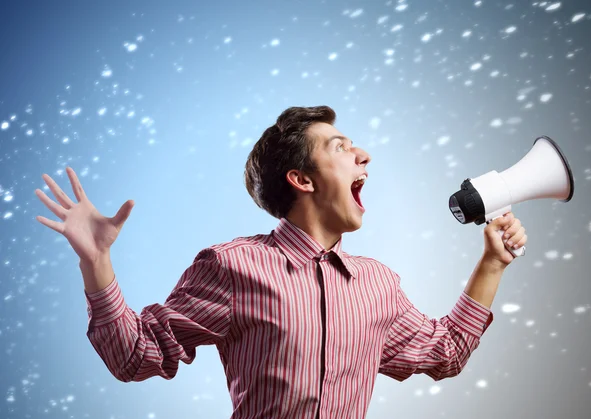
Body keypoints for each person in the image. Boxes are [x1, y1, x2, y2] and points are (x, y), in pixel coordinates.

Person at [34, 105, 527, 419]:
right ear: (303, 180)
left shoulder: (379, 285)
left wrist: (492, 263)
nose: (365, 155)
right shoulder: (233, 268)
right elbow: (134, 357)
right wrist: (96, 261)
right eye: (341, 147)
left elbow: (446, 353)